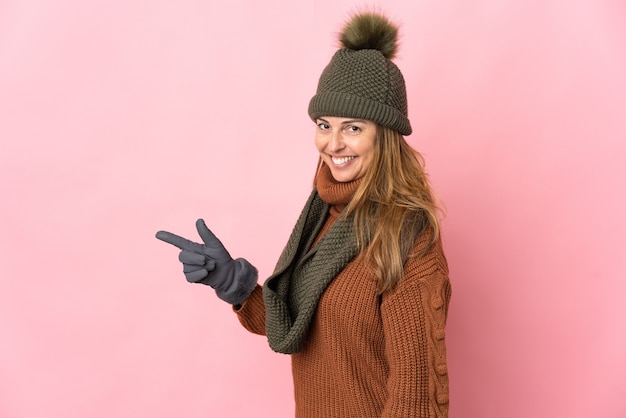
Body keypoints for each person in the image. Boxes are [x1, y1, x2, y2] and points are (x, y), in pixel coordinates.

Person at [156, 11, 451, 418]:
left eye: (353, 128)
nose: (333, 143)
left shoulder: (405, 236)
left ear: (384, 134)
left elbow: (414, 396)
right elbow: (300, 328)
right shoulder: (323, 213)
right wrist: (237, 289)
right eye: (324, 124)